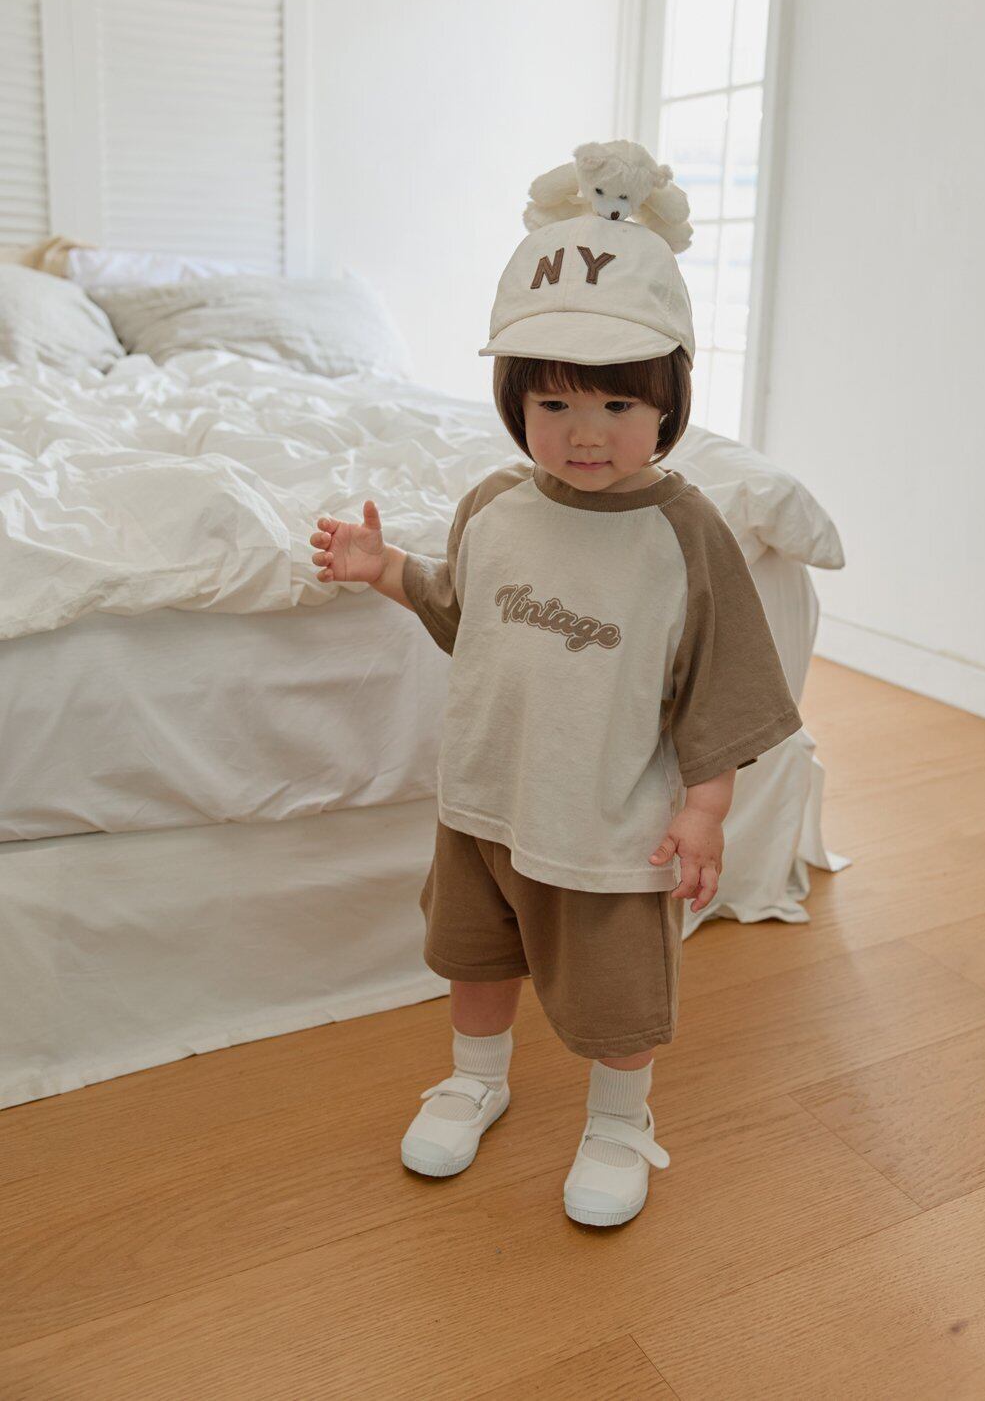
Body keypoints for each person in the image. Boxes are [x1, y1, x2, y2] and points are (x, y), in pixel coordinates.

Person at [309, 208, 803, 1228]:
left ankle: (620, 1122)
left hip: (607, 820)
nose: (586, 432)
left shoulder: (683, 532)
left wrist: (706, 809)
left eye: (619, 403)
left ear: (668, 401)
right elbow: (464, 611)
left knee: (619, 993)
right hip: (484, 800)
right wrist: (387, 569)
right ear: (514, 401)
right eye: (554, 402)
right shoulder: (495, 504)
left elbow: (720, 682)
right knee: (476, 956)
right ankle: (474, 1078)